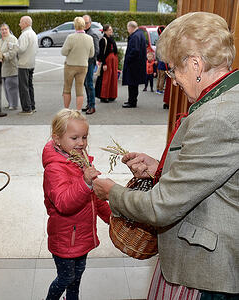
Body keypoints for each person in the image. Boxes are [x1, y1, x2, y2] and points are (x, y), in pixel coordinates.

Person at [93, 12, 239, 299]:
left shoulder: (217, 117)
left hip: (212, 273)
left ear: (196, 64)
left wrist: (111, 192)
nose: (171, 80)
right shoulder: (226, 97)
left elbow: (161, 207)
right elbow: (214, 174)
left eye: (172, 69)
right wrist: (161, 167)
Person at [42, 109, 111, 300]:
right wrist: (85, 182)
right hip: (65, 238)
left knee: (77, 278)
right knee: (66, 277)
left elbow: (95, 197)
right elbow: (64, 203)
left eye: (84, 137)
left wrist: (110, 217)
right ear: (57, 139)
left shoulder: (81, 161)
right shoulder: (54, 169)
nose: (81, 143)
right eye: (74, 138)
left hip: (82, 236)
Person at [61, 17, 94, 111]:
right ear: (84, 25)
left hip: (70, 65)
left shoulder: (70, 37)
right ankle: (78, 111)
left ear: (75, 26)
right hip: (83, 66)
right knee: (80, 90)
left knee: (67, 88)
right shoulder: (89, 38)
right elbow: (91, 54)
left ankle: (66, 110)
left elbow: (64, 52)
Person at [13, 16, 38, 115]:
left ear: (26, 23)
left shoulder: (25, 35)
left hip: (24, 64)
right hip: (31, 63)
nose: (19, 24)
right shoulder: (33, 33)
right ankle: (32, 105)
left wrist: (13, 46)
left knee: (23, 87)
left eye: (21, 22)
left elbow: (21, 49)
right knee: (30, 85)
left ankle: (27, 108)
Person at [122, 21, 146, 108]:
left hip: (133, 65)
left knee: (132, 84)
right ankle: (132, 100)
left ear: (131, 27)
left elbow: (135, 50)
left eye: (128, 28)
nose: (128, 30)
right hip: (138, 64)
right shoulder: (140, 34)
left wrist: (128, 59)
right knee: (134, 84)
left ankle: (132, 102)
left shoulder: (135, 36)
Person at [95, 24, 118, 104]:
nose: (111, 31)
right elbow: (101, 53)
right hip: (107, 62)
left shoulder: (111, 38)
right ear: (105, 31)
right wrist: (104, 63)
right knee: (106, 79)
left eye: (111, 30)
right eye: (109, 30)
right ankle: (104, 96)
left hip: (113, 62)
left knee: (112, 79)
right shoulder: (103, 40)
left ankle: (111, 95)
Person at [82, 14, 99, 115]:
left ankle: (92, 106)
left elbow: (96, 51)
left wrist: (87, 57)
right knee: (85, 84)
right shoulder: (83, 33)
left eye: (86, 22)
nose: (84, 24)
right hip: (83, 63)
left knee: (89, 84)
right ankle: (89, 104)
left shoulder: (92, 34)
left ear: (90, 23)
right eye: (83, 22)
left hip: (89, 62)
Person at [0, 23, 19, 110]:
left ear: (8, 30)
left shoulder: (12, 39)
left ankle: (13, 104)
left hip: (11, 66)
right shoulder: (1, 40)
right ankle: (9, 102)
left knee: (11, 86)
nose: (4, 31)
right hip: (3, 67)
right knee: (6, 87)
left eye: (5, 29)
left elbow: (13, 52)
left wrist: (3, 56)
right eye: (2, 29)